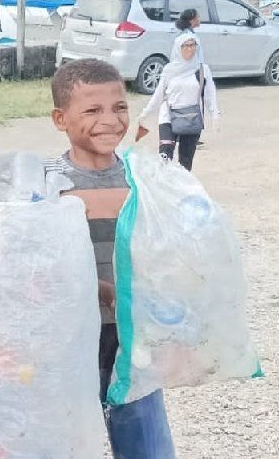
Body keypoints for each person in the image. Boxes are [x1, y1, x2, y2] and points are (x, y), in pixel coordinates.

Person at [46, 59, 176, 459]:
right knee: (64, 443)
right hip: (69, 339)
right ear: (60, 118)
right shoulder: (45, 183)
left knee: (146, 444)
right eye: (92, 110)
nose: (110, 120)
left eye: (119, 108)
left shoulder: (144, 179)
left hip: (132, 337)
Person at [137, 32, 220, 170]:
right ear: (178, 48)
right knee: (165, 157)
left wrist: (215, 114)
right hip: (168, 117)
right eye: (186, 46)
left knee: (185, 162)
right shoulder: (169, 70)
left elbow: (210, 94)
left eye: (193, 45)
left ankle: (181, 189)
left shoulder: (202, 69)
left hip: (191, 118)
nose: (190, 49)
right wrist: (145, 114)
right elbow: (158, 96)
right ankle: (163, 188)